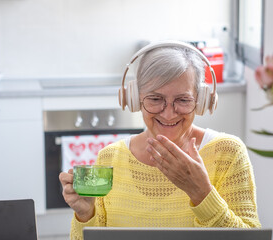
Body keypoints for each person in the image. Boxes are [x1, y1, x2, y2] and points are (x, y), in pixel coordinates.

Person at [59, 41, 261, 240]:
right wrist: (86, 215)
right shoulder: (110, 157)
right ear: (135, 98)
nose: (169, 114)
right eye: (155, 99)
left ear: (201, 100)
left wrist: (202, 193)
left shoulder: (228, 153)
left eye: (183, 100)